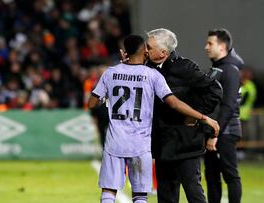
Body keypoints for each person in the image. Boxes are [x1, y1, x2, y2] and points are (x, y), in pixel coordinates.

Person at [88, 35, 220, 203]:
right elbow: (174, 103)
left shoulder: (110, 73)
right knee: (140, 195)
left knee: (108, 191)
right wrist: (203, 117)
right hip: (141, 144)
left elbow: (92, 103)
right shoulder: (152, 75)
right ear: (142, 51)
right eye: (146, 47)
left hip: (116, 141)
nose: (147, 50)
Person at [145, 28, 223, 203]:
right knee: (165, 195)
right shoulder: (146, 68)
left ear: (163, 52)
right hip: (162, 142)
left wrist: (196, 115)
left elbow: (215, 90)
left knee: (193, 193)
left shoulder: (185, 67)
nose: (145, 50)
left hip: (186, 143)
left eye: (149, 47)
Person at [204, 28, 243, 203]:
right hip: (215, 130)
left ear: (222, 47)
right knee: (211, 177)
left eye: (210, 43)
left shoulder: (230, 70)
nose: (206, 47)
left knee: (230, 175)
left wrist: (215, 134)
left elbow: (227, 105)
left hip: (224, 132)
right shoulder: (217, 68)